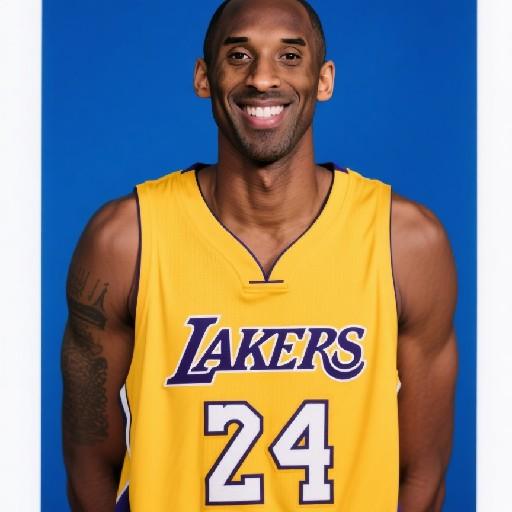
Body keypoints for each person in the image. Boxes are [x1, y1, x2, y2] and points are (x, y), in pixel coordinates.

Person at [61, 0, 457, 510]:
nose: (263, 78)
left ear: (324, 79)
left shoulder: (405, 242)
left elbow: (422, 473)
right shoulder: (124, 241)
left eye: (290, 56)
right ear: (204, 77)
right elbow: (89, 463)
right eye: (239, 56)